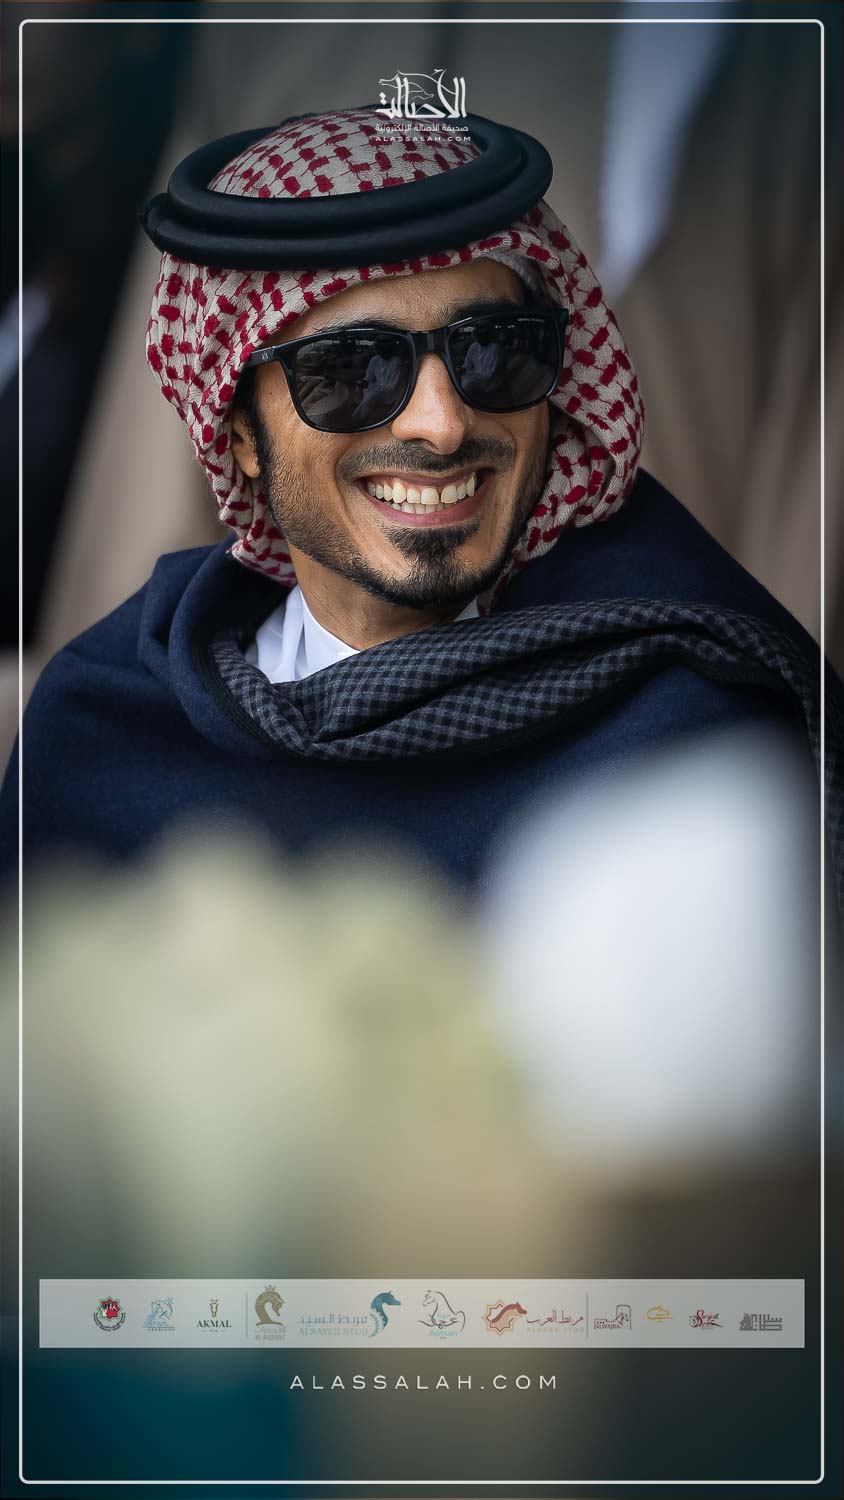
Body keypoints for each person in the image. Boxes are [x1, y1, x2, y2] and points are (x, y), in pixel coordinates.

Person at [2, 105, 840, 904]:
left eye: (494, 352)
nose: (442, 425)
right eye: (351, 370)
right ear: (243, 435)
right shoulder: (105, 723)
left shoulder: (691, 748)